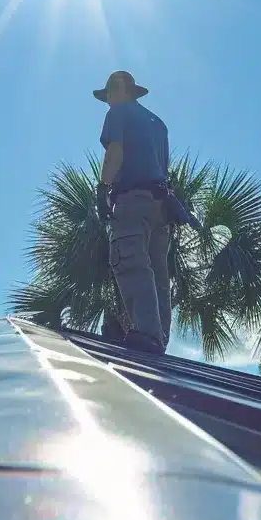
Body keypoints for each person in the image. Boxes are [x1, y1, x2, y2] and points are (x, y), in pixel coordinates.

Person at [93, 70, 172, 354]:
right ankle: (159, 336)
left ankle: (148, 334)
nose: (108, 102)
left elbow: (115, 151)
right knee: (158, 274)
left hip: (132, 198)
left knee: (131, 262)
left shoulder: (119, 113)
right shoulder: (158, 124)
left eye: (109, 95)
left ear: (118, 89)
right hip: (162, 206)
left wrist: (103, 189)